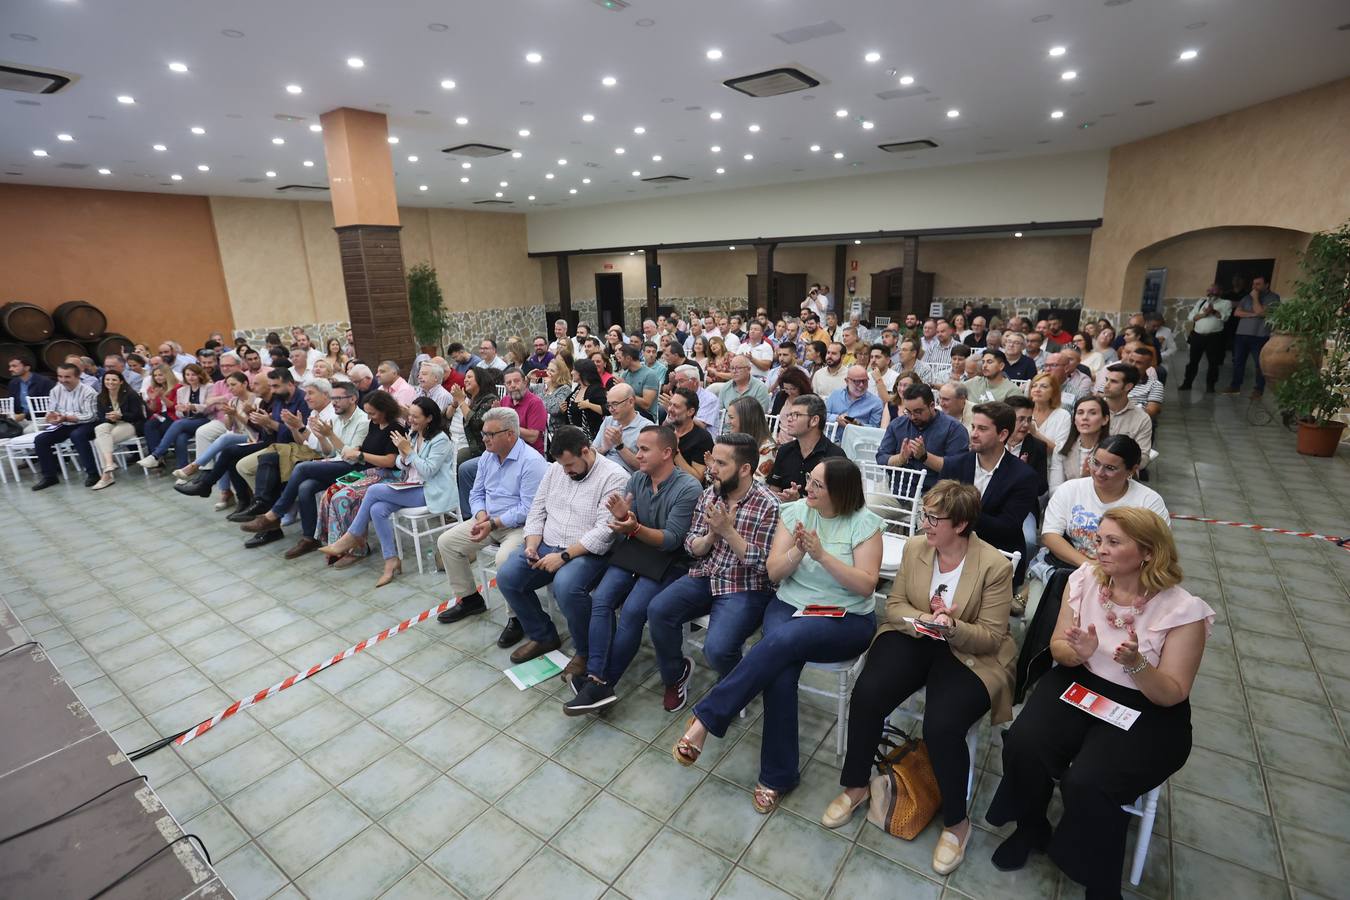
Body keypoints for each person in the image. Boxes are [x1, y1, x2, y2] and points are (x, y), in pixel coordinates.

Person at [987, 509, 1213, 897]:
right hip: (1082, 679)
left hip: (1148, 704)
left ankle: (1099, 876)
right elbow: (1058, 644)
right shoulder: (1086, 579)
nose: (1099, 549)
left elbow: (1172, 692)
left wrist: (1137, 664)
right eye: (1099, 539)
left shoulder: (1183, 611)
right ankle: (1032, 827)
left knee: (1089, 780)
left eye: (1113, 542)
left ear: (1147, 552)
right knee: (1024, 742)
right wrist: (1077, 653)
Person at [824, 481, 1015, 876]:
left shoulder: (994, 566)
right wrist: (925, 621)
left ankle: (957, 824)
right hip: (916, 635)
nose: (923, 523)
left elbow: (992, 637)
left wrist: (952, 627)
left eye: (933, 518)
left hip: (967, 651)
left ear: (960, 525)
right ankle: (856, 786)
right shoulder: (916, 548)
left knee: (942, 726)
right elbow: (895, 606)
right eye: (924, 514)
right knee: (868, 694)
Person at [673, 458, 883, 813]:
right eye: (809, 480)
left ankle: (707, 717)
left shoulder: (864, 524)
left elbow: (865, 587)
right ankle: (777, 776)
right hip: (790, 605)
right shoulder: (796, 510)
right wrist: (799, 552)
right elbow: (773, 572)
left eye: (818, 485)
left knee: (783, 642)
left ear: (840, 492)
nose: (808, 488)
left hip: (845, 618)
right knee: (781, 675)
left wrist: (823, 555)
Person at [617, 433, 778, 714]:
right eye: (713, 460)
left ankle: (735, 686)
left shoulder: (768, 505)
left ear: (745, 469)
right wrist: (712, 536)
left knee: (716, 650)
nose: (711, 468)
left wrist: (728, 531)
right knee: (658, 610)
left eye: (721, 463)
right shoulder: (709, 494)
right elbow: (691, 546)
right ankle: (676, 674)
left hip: (745, 586)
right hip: (707, 573)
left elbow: (764, 566)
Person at [562, 425, 703, 712]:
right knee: (601, 600)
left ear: (667, 453)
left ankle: (600, 682)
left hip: (669, 561)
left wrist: (632, 525)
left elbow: (671, 540)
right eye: (637, 448)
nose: (636, 455)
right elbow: (629, 525)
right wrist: (624, 518)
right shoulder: (637, 480)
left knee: (632, 612)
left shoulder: (688, 487)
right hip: (636, 552)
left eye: (644, 449)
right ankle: (597, 678)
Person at [494, 425, 628, 662]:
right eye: (562, 465)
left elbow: (603, 533)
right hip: (549, 541)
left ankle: (586, 651)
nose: (565, 471)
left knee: (565, 587)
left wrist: (564, 556)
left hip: (588, 551)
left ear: (585, 451)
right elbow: (537, 509)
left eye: (570, 465)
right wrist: (532, 543)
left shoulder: (614, 476)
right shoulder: (556, 469)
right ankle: (543, 635)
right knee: (508, 576)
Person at [436, 408, 549, 634]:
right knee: (447, 542)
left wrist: (493, 523)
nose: (484, 438)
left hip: (520, 527)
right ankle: (470, 600)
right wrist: (480, 516)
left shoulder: (532, 462)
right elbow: (476, 493)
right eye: (483, 433)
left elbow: (529, 509)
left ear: (509, 434)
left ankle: (516, 618)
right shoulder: (488, 456)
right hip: (488, 521)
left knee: (504, 559)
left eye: (490, 434)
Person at [319, 397, 453, 586]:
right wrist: (405, 454)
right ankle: (391, 560)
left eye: (415, 417)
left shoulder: (440, 440)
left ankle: (352, 536)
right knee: (377, 509)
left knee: (373, 490)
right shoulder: (414, 435)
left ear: (429, 418)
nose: (410, 420)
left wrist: (409, 452)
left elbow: (429, 470)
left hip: (431, 491)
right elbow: (400, 463)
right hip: (412, 485)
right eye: (410, 415)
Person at [239, 380, 378, 556]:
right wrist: (311, 432)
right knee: (306, 487)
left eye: (338, 398)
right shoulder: (335, 418)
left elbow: (351, 456)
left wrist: (329, 435)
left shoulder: (363, 421)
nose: (333, 402)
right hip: (335, 464)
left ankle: (274, 514)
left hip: (357, 469)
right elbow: (327, 452)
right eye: (332, 398)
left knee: (302, 468)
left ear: (352, 399)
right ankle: (309, 538)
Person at [1042, 435, 1168, 569]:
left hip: (1127, 575)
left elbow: (1159, 548)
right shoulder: (1070, 489)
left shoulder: (1149, 501)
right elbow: (1050, 535)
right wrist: (1090, 566)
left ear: (1131, 470)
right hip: (1071, 567)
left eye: (1110, 468)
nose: (1099, 472)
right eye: (1095, 463)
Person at [938, 402, 1041, 567]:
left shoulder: (1024, 476)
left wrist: (962, 512)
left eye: (982, 429)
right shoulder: (954, 465)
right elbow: (939, 508)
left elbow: (1007, 527)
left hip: (996, 555)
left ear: (1002, 435)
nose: (974, 434)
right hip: (950, 548)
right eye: (973, 427)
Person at [312, 389, 404, 567]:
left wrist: (361, 456)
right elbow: (351, 451)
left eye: (373, 413)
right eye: (368, 413)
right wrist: (331, 435)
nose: (370, 417)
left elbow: (390, 461)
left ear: (385, 410)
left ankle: (358, 547)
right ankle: (336, 543)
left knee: (344, 498)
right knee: (329, 493)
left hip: (387, 475)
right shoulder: (373, 425)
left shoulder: (395, 428)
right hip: (367, 472)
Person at [171, 371, 263, 508]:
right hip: (239, 436)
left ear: (245, 384)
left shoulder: (256, 401)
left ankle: (195, 467)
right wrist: (230, 415)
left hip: (254, 437)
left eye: (233, 385)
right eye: (229, 386)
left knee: (225, 438)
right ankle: (226, 493)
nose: (230, 388)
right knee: (222, 452)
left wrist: (236, 414)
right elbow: (229, 426)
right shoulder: (233, 401)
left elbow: (257, 428)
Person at [875, 383, 969, 492]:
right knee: (866, 503)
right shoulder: (897, 425)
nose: (913, 417)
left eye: (918, 412)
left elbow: (957, 469)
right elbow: (881, 458)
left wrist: (924, 457)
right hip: (897, 491)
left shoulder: (954, 429)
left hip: (935, 497)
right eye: (908, 412)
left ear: (932, 406)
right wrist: (900, 458)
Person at [27, 363, 100, 490]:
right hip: (65, 423)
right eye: (60, 376)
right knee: (41, 439)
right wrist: (51, 417)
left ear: (77, 377)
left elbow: (91, 416)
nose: (63, 380)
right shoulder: (55, 390)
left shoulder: (88, 391)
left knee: (77, 435)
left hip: (87, 423)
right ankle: (50, 477)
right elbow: (51, 410)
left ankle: (93, 474)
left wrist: (66, 417)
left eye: (67, 377)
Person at [138, 363, 212, 470]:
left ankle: (156, 455)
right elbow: (179, 413)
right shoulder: (182, 390)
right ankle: (184, 470)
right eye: (187, 375)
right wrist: (182, 410)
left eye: (193, 374)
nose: (190, 377)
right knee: (179, 437)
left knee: (178, 423)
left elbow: (209, 408)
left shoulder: (208, 387)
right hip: (187, 420)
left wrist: (192, 407)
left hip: (205, 419)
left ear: (200, 375)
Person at [81, 369, 146, 491]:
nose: (110, 382)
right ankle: (109, 464)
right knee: (100, 428)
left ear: (121, 382)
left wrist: (121, 416)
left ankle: (106, 476)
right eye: (107, 379)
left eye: (114, 380)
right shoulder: (101, 397)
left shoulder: (130, 394)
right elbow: (101, 417)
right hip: (112, 423)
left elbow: (138, 415)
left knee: (98, 442)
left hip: (130, 424)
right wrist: (110, 418)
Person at [1050, 395, 1110, 494]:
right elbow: (1055, 490)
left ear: (1105, 419)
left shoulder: (1112, 450)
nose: (1085, 418)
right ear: (1074, 419)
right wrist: (1083, 481)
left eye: (1092, 413)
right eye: (1080, 413)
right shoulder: (1061, 448)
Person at [1179, 284, 1232, 393]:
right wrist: (1205, 314)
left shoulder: (1226, 303)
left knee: (1213, 363)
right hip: (1197, 337)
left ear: (1220, 292)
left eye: (1214, 290)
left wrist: (1213, 311)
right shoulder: (1201, 302)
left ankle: (1210, 386)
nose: (1211, 292)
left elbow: (1225, 317)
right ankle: (1187, 383)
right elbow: (1192, 317)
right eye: (1209, 290)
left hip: (1214, 338)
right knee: (1193, 362)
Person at [1101, 364, 1153, 462]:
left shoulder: (1142, 418)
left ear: (1128, 386)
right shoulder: (1092, 409)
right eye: (1106, 379)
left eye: (1114, 381)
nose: (1106, 385)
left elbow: (1143, 456)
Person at [451, 366, 501, 466]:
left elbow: (476, 423)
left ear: (480, 379)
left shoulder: (490, 399)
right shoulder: (472, 400)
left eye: (469, 377)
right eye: (465, 377)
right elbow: (446, 416)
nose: (465, 380)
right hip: (463, 442)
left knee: (460, 456)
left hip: (482, 447)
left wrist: (461, 401)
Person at [665, 387, 715, 483]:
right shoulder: (666, 431)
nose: (670, 409)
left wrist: (675, 452)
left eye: (676, 406)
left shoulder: (702, 438)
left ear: (690, 412)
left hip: (684, 490)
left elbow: (697, 479)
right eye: (670, 404)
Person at [726, 395, 776, 477]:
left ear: (745, 420)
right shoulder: (735, 441)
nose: (728, 422)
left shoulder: (767, 449)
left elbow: (757, 482)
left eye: (731, 417)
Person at [563, 357, 608, 440]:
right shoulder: (578, 388)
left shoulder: (596, 389)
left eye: (574, 370)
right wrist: (564, 409)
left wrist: (589, 405)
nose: (572, 372)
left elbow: (606, 409)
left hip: (590, 436)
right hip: (574, 434)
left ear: (582, 373)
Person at [825, 364, 883, 429]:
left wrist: (859, 426)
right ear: (847, 381)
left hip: (858, 438)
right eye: (857, 381)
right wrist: (836, 419)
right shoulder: (835, 395)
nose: (861, 385)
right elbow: (823, 416)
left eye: (864, 381)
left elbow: (875, 429)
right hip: (833, 437)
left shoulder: (875, 403)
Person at [1026, 371, 1071, 454]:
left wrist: (1035, 433)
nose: (1037, 390)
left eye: (1044, 386)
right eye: (1034, 386)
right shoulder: (1024, 412)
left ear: (1054, 392)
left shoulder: (1063, 415)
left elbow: (1059, 451)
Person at [5, 357, 56, 422]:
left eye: (14, 366)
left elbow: (49, 404)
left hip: (42, 418)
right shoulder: (13, 383)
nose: (10, 369)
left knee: (27, 431)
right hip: (20, 419)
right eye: (10, 366)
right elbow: (10, 402)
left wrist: (25, 415)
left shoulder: (43, 382)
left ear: (27, 368)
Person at [615, 344, 660, 415]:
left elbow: (646, 404)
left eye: (620, 358)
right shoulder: (625, 374)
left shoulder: (650, 375)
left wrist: (626, 388)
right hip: (628, 413)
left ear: (628, 358)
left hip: (646, 417)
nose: (619, 361)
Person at [1124, 344, 1165, 418]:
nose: (1133, 365)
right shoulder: (1114, 378)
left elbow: (1151, 412)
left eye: (1139, 363)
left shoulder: (1155, 385)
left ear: (1148, 365)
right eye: (1131, 361)